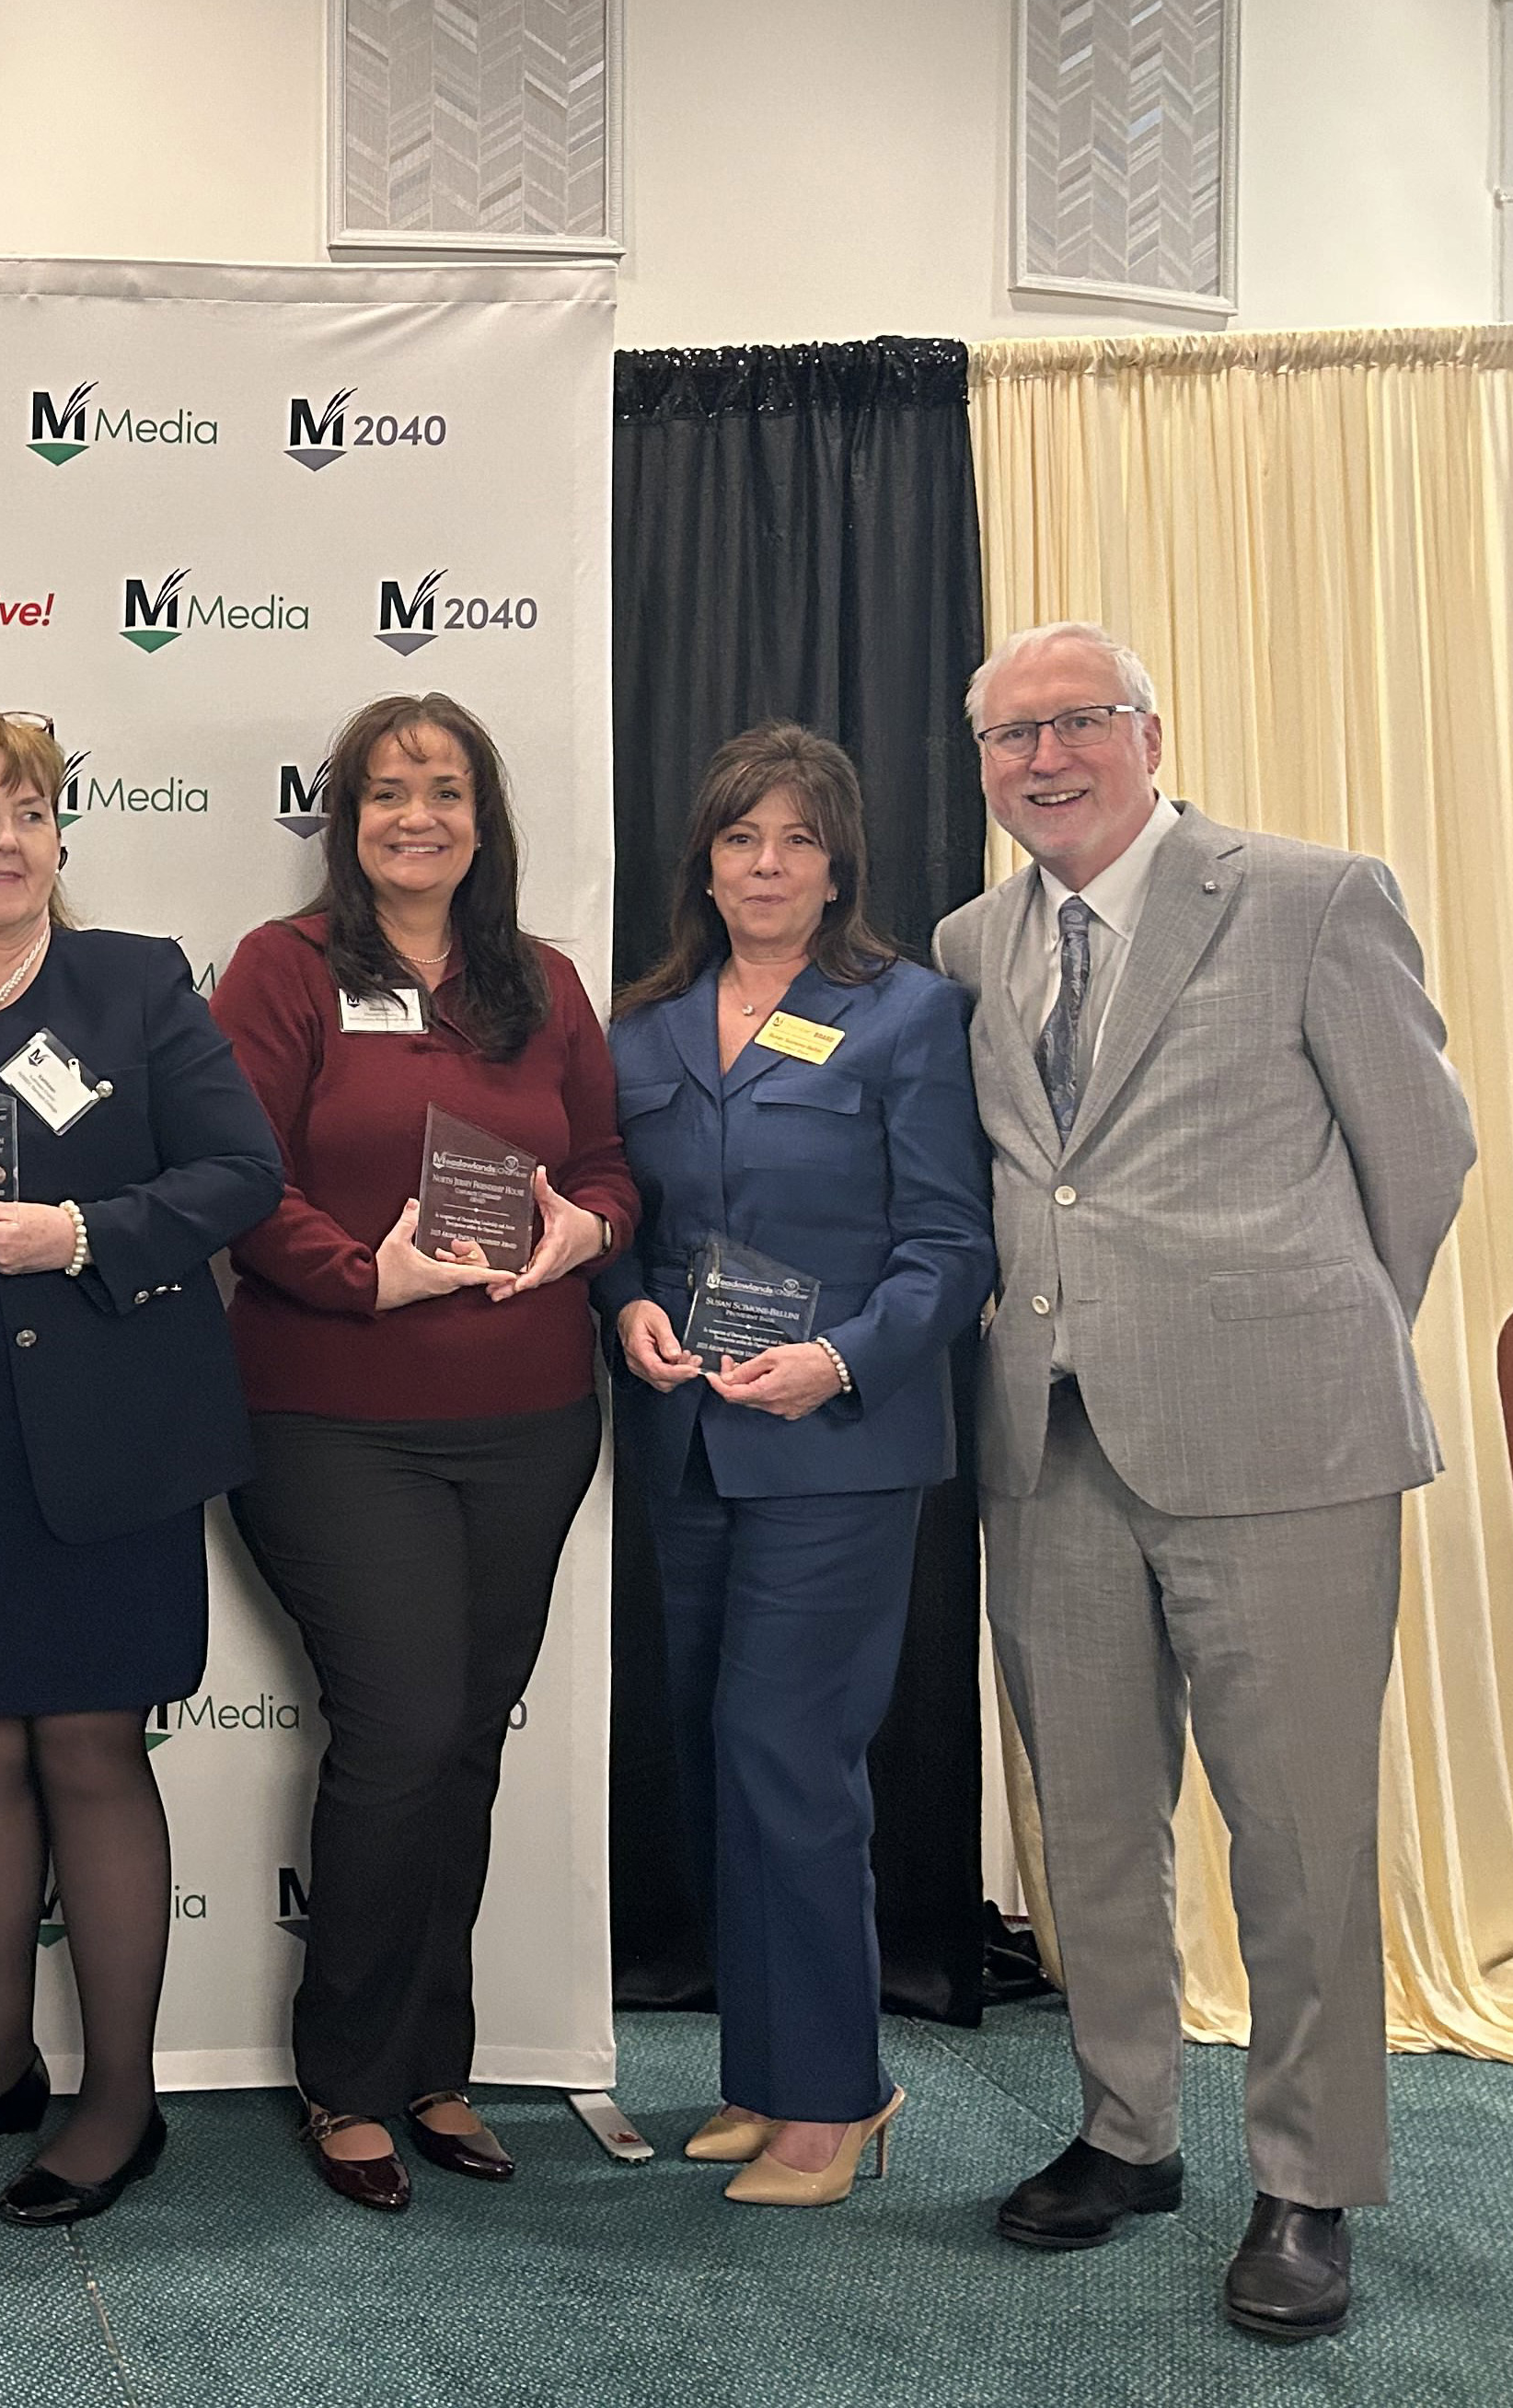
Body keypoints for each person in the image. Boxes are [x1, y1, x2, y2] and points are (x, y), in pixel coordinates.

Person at [935, 623, 1472, 2342]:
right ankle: (1129, 2129)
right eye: (1011, 736)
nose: (1045, 757)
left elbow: (1424, 1149)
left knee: (1300, 1836)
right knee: (1087, 1818)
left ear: (1149, 732)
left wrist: (1312, 1332)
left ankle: (1309, 2183)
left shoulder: (1310, 894)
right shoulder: (967, 942)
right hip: (1055, 1440)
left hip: (1284, 1441)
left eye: (1077, 722)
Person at [0, 712, 283, 2229]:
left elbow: (237, 1175)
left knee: (89, 1749)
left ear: (62, 841)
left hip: (104, 1434)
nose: (3, 837)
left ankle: (122, 2096)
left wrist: (80, 1234)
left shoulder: (132, 980)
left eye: (30, 812)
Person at [211, 691, 635, 2212]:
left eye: (445, 791)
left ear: (483, 818)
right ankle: (347, 2075)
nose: (416, 818)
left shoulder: (544, 984)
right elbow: (236, 1177)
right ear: (347, 816)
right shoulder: (287, 970)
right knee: (398, 1729)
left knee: (463, 1742)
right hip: (330, 1416)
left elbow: (600, 1163)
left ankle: (436, 2063)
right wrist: (360, 1274)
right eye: (388, 792)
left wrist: (592, 1227)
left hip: (527, 1422)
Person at [597, 723, 993, 2207]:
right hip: (688, 1436)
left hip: (837, 1442)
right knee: (716, 1753)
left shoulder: (905, 1017)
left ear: (839, 870)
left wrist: (836, 1358)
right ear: (704, 860)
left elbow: (953, 1249)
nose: (767, 866)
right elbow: (619, 1215)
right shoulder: (643, 1029)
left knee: (792, 1756)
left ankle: (837, 2097)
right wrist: (624, 1301)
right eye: (741, 839)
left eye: (798, 842)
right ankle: (764, 2077)